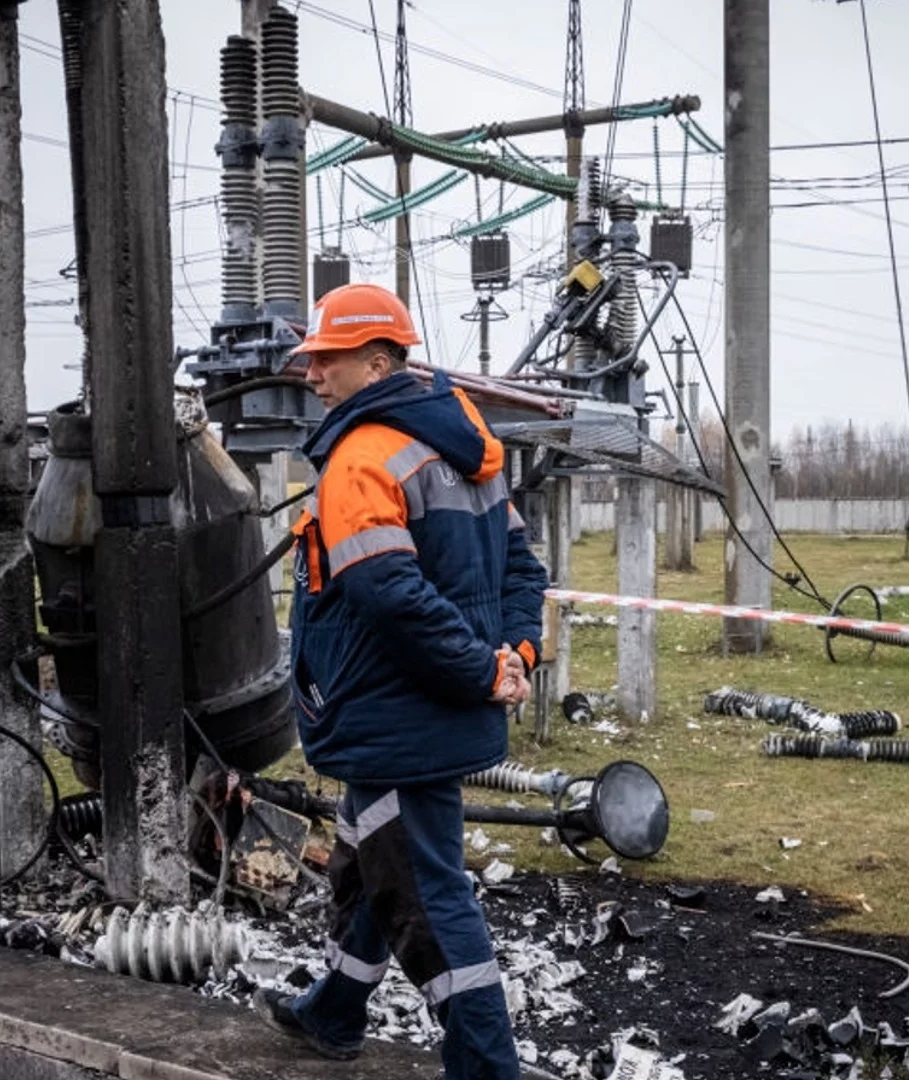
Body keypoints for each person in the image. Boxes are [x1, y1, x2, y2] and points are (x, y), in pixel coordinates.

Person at [254, 282, 549, 1080]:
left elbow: (390, 594)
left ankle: (488, 1067)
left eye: (327, 359)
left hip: (395, 714)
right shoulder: (468, 448)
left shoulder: (363, 456)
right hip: (431, 707)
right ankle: (336, 1012)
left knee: (423, 895)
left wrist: (484, 670)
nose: (312, 375)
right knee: (365, 861)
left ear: (377, 359)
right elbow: (522, 566)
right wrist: (514, 655)